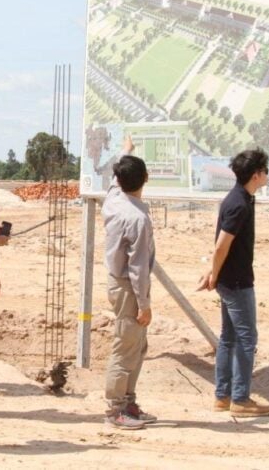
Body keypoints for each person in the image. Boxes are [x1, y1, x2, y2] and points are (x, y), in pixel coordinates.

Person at [197, 148, 269, 417]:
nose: (267, 175)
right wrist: (214, 273)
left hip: (231, 279)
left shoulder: (239, 199)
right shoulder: (239, 203)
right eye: (265, 171)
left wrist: (214, 272)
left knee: (229, 338)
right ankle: (240, 399)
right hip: (237, 282)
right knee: (246, 338)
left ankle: (223, 396)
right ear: (256, 175)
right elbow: (222, 246)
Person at [102, 155, 157, 429]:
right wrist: (144, 304)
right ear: (146, 178)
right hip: (129, 288)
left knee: (137, 346)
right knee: (126, 347)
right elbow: (138, 267)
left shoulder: (114, 201)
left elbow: (114, 184)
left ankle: (128, 402)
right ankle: (115, 409)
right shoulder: (137, 218)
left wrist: (126, 150)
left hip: (119, 283)